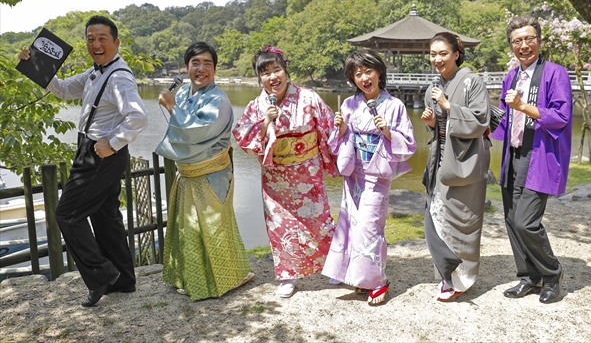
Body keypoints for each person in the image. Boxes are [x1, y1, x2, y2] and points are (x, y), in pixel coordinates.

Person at [18, 15, 148, 307]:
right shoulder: (95, 73)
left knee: (67, 214)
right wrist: (33, 64)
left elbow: (139, 116)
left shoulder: (119, 77)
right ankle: (124, 279)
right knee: (105, 216)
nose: (95, 44)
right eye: (90, 39)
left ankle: (101, 274)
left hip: (101, 153)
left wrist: (112, 143)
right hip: (94, 149)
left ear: (116, 42)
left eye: (102, 38)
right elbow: (63, 90)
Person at [232, 46, 337, 298]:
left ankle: (334, 266)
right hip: (276, 178)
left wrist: (333, 153)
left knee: (320, 222)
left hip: (308, 174)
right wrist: (266, 122)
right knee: (281, 226)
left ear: (286, 71)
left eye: (277, 69)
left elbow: (328, 127)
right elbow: (242, 137)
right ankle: (289, 276)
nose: (272, 77)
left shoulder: (309, 97)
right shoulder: (257, 106)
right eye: (266, 73)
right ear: (259, 78)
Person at [155, 42, 253, 301]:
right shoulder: (187, 90)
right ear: (186, 67)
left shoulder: (218, 100)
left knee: (213, 227)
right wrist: (175, 104)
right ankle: (192, 277)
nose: (201, 69)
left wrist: (172, 107)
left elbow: (196, 132)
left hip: (211, 174)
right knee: (189, 228)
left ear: (215, 69)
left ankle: (225, 280)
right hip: (189, 173)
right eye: (195, 63)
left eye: (207, 63)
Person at [321, 49, 416, 306]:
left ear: (379, 72)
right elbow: (336, 142)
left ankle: (378, 281)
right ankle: (359, 277)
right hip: (353, 174)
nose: (364, 78)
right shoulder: (349, 104)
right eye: (358, 74)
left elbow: (408, 143)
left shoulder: (395, 105)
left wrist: (387, 131)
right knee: (350, 225)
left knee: (370, 227)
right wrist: (341, 129)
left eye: (368, 71)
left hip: (376, 175)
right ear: (353, 79)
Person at [491, 15, 571, 304]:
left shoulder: (555, 73)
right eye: (517, 41)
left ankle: (552, 273)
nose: (524, 45)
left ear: (539, 41)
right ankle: (529, 276)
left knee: (527, 222)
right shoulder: (510, 78)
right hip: (513, 155)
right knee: (512, 219)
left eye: (529, 39)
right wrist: (478, 124)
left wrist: (524, 106)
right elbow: (502, 120)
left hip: (540, 155)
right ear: (511, 46)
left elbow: (561, 117)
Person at [421, 32, 491, 301]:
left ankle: (462, 277)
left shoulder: (472, 81)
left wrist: (449, 106)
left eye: (443, 53)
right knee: (437, 216)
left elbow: (480, 121)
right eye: (433, 54)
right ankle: (446, 273)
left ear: (456, 55)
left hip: (466, 160)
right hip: (441, 159)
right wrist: (431, 123)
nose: (437, 59)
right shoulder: (433, 87)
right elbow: (439, 129)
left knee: (464, 220)